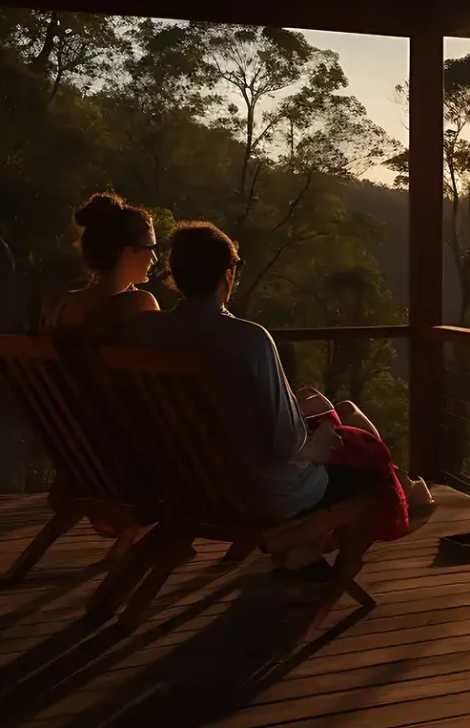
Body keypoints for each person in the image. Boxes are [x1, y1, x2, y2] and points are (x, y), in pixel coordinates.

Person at [122, 222, 401, 578]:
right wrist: (315, 439)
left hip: (181, 482)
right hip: (261, 494)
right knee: (373, 476)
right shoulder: (249, 340)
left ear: (175, 276)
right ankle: (323, 564)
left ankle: (306, 551)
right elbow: (286, 443)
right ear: (228, 275)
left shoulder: (144, 330)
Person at [43, 193, 160, 340]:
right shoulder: (140, 303)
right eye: (150, 249)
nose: (154, 259)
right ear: (129, 253)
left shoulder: (64, 305)